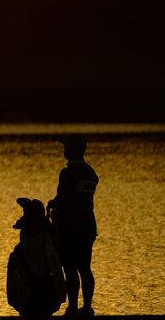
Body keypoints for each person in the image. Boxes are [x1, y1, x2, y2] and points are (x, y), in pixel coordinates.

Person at [47, 135, 99, 317]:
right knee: (85, 267)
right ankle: (87, 307)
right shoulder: (91, 173)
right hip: (88, 224)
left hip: (70, 225)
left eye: (67, 147)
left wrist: (52, 204)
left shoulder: (67, 173)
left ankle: (73, 309)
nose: (65, 151)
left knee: (69, 267)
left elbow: (63, 199)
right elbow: (79, 197)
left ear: (73, 150)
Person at [7, 197, 66, 318]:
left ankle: (33, 306)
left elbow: (55, 269)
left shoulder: (44, 243)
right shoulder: (22, 251)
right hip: (38, 295)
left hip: (41, 295)